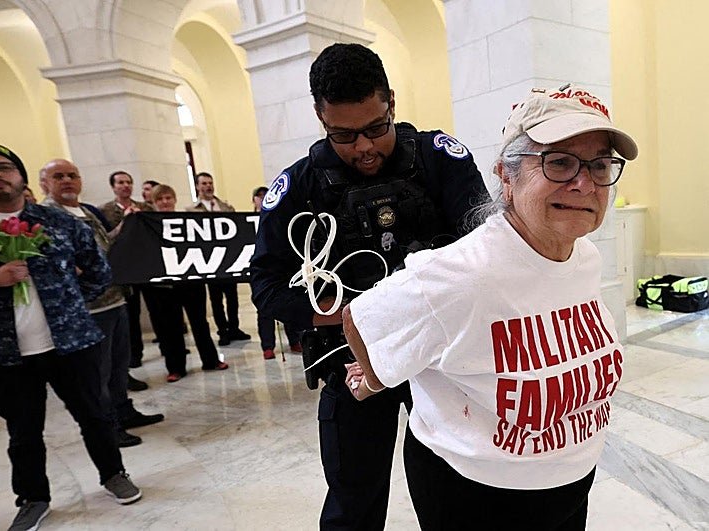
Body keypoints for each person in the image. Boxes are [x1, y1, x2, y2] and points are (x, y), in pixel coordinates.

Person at [341, 83, 638, 530]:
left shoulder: (585, 256)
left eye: (599, 166)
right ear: (507, 176)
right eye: (559, 162)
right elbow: (361, 319)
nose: (584, 183)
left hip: (572, 481)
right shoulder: (466, 273)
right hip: (478, 495)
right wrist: (376, 377)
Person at [250, 43, 487, 529]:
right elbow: (266, 285)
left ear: (391, 103)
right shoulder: (299, 186)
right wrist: (347, 315)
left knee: (455, 495)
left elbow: (487, 248)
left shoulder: (439, 159)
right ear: (320, 117)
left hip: (441, 360)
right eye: (343, 135)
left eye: (376, 128)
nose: (364, 148)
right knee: (353, 501)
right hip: (350, 362)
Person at [0, 143, 142, 531]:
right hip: (5, 352)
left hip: (71, 343)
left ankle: (113, 473)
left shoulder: (58, 222)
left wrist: (70, 302)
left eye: (4, 166)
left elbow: (100, 271)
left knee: (95, 415)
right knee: (23, 431)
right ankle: (33, 497)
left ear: (21, 176)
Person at [40, 159, 165, 447]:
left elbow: (104, 245)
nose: (67, 180)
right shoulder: (46, 216)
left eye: (72, 175)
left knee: (119, 364)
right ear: (44, 183)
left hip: (114, 298)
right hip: (88, 308)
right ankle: (108, 425)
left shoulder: (87, 211)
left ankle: (123, 411)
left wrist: (125, 227)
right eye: (58, 176)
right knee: (98, 371)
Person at [150, 184, 228, 381]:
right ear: (154, 202)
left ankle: (211, 360)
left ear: (174, 199)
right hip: (164, 285)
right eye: (160, 199)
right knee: (171, 327)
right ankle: (175, 367)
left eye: (168, 198)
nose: (165, 202)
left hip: (191, 281)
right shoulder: (148, 224)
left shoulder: (188, 221)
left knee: (200, 322)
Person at [99, 170, 158, 375]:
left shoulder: (145, 207)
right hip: (124, 269)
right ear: (113, 186)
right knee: (131, 313)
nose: (125, 186)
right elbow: (105, 239)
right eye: (120, 182)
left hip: (147, 266)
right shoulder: (104, 211)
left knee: (156, 309)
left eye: (129, 182)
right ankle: (135, 354)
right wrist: (126, 222)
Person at [187, 172, 251, 346]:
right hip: (209, 262)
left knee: (232, 298)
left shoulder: (226, 207)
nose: (208, 186)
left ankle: (234, 327)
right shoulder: (191, 211)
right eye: (204, 183)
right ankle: (223, 330)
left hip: (228, 259)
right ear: (197, 186)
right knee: (216, 300)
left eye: (210, 183)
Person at [250, 186, 302, 360]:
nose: (263, 198)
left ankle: (294, 339)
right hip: (259, 269)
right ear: (254, 200)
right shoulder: (246, 221)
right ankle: (268, 346)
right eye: (259, 196)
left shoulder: (278, 215)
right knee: (264, 308)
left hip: (282, 265)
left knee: (289, 300)